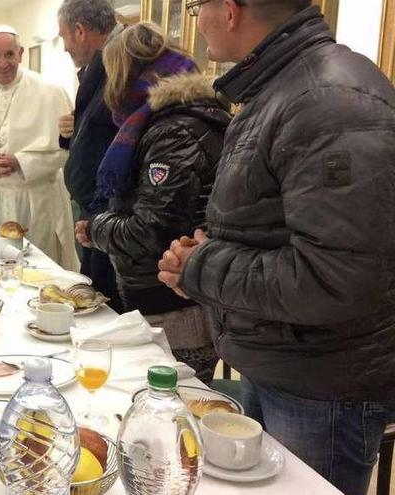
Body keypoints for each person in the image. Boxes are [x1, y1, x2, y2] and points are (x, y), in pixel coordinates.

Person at [156, 2, 395, 493]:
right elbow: (272, 227)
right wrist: (204, 254)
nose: (197, 22)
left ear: (229, 11)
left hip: (322, 382)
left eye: (199, 7)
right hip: (283, 357)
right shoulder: (283, 88)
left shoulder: (326, 100)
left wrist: (201, 266)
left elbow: (334, 278)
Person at [73, 22, 229, 383]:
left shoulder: (173, 131)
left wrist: (97, 229)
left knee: (171, 413)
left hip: (176, 305)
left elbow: (151, 230)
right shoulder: (170, 120)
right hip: (170, 295)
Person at [0, 25, 79, 270]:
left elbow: (65, 150)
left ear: (21, 53)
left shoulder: (51, 92)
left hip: (35, 197)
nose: (3, 63)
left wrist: (21, 161)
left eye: (10, 54)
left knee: (38, 269)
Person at [57, 0, 124, 311]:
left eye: (64, 37)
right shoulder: (100, 66)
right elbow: (98, 132)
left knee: (110, 312)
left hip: (113, 217)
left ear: (80, 31)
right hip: (97, 215)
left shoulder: (124, 63)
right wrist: (72, 132)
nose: (65, 47)